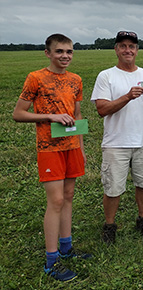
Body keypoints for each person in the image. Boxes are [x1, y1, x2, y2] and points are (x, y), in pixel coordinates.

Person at [13, 34, 91, 281]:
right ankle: (51, 260)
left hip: (71, 148)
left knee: (68, 197)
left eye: (69, 51)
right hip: (49, 149)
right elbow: (18, 114)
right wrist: (50, 116)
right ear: (47, 53)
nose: (65, 56)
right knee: (56, 201)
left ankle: (67, 249)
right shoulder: (36, 78)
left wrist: (81, 146)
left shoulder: (75, 80)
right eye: (59, 51)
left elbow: (77, 115)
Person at [91, 31, 143, 244]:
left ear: (137, 50)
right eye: (123, 46)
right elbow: (102, 109)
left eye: (132, 46)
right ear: (116, 49)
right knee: (113, 188)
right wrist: (126, 97)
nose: (127, 50)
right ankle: (110, 225)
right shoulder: (106, 76)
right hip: (116, 142)